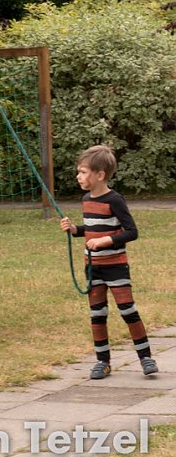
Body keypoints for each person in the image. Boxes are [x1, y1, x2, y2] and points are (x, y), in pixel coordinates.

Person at [60, 145, 158, 380]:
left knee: (127, 310)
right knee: (97, 314)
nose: (78, 176)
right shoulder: (85, 200)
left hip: (116, 266)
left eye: (83, 172)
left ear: (100, 175)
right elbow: (92, 228)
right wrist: (75, 229)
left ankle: (146, 357)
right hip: (94, 268)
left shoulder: (115, 200)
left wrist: (106, 241)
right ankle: (103, 362)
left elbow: (131, 232)